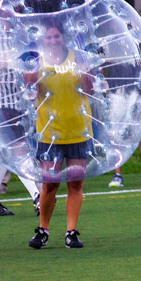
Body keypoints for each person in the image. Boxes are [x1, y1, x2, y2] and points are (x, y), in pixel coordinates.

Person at [27, 21, 93, 249]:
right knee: (50, 184)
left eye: (57, 36)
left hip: (78, 128)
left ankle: (71, 232)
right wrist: (30, 75)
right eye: (49, 38)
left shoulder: (78, 57)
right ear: (43, 40)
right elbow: (31, 92)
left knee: (75, 184)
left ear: (63, 37)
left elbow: (90, 88)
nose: (53, 41)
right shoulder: (38, 60)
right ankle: (43, 230)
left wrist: (87, 70)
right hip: (49, 132)